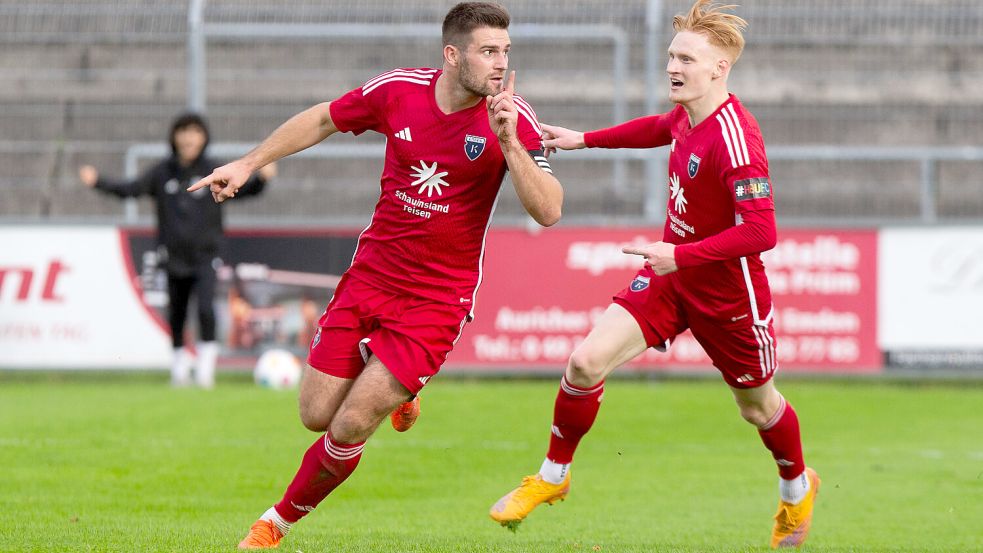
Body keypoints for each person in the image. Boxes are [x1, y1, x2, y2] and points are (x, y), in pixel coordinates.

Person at [187, 3, 562, 549]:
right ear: (452, 55)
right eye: (488, 51)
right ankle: (400, 388)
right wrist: (248, 162)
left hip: (438, 300)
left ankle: (275, 523)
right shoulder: (398, 91)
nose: (500, 63)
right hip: (371, 279)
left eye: (505, 51)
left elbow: (549, 211)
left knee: (350, 425)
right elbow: (322, 117)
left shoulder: (514, 118)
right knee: (315, 415)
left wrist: (509, 144)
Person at [488, 1, 819, 548]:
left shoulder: (737, 137)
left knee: (758, 407)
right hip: (671, 277)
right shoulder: (686, 114)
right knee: (584, 361)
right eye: (671, 55)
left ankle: (795, 489)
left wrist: (682, 256)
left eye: (687, 58)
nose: (673, 65)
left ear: (719, 69)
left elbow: (762, 233)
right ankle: (552, 478)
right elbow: (657, 128)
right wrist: (584, 140)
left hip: (729, 295)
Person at [79, 113, 275, 388]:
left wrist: (262, 181)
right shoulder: (162, 173)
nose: (188, 138)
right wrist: (98, 181)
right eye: (183, 131)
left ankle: (206, 371)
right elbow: (131, 189)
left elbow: (242, 190)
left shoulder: (213, 171)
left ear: (204, 137)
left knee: (206, 309)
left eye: (194, 132)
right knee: (177, 313)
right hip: (172, 257)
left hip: (206, 255)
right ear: (174, 137)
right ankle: (179, 370)